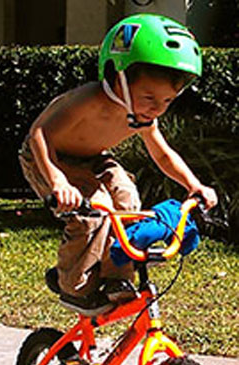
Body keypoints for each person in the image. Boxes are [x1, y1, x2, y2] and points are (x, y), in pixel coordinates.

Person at [18, 13, 217, 316]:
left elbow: (162, 154)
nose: (156, 107)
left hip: (93, 158)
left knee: (127, 196)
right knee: (94, 208)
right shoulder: (89, 100)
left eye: (166, 101)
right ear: (118, 77)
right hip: (47, 158)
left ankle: (116, 276)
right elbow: (39, 135)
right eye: (149, 96)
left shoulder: (141, 116)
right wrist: (58, 181)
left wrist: (193, 185)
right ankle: (74, 285)